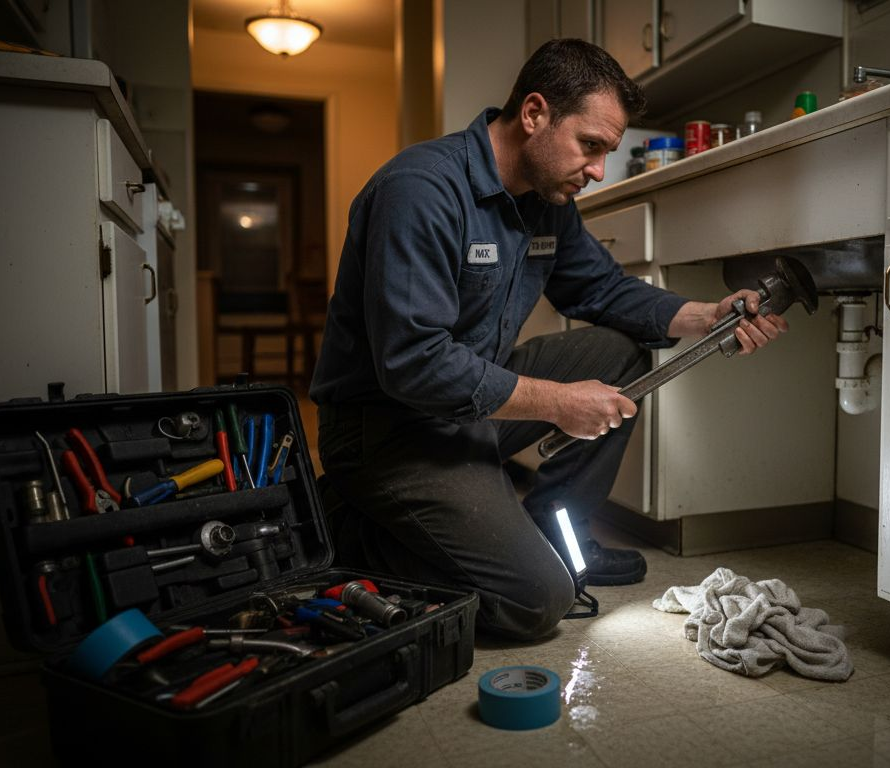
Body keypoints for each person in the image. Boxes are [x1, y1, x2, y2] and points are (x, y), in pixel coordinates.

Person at [310, 39, 789, 640]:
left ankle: (553, 527)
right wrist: (559, 402)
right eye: (590, 146)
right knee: (535, 600)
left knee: (617, 353)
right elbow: (413, 364)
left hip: (465, 414)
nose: (597, 171)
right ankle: (342, 529)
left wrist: (707, 313)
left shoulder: (546, 200)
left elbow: (604, 291)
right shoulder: (421, 190)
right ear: (534, 114)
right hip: (387, 430)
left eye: (606, 153)